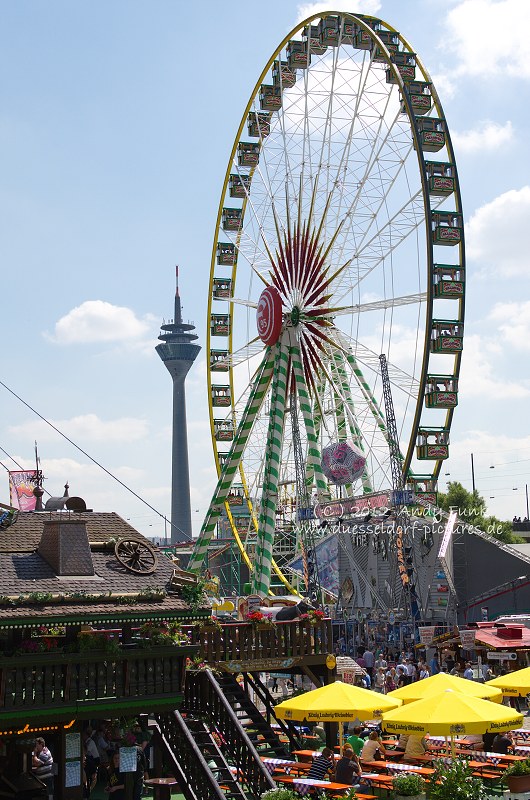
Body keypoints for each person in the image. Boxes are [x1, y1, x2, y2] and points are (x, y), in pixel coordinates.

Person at [83, 727, 100, 797]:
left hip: (95, 759)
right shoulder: (85, 742)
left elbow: (87, 751)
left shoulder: (90, 742)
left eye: (83, 735)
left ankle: (89, 789)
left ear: (86, 735)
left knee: (93, 775)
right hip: (89, 758)